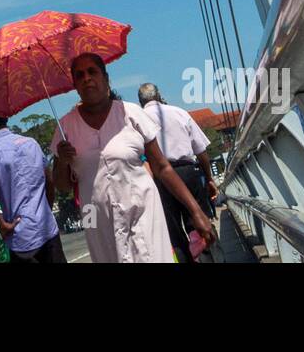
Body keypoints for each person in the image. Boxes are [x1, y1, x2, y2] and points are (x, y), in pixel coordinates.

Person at [52, 53, 216, 263]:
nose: (87, 78)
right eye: (80, 75)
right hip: (97, 218)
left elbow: (162, 167)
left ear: (106, 78)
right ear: (75, 85)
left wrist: (196, 211)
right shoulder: (65, 129)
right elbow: (63, 186)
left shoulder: (131, 114)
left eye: (92, 72)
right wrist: (63, 161)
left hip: (143, 210)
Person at [138, 83, 217, 263]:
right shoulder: (179, 112)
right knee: (200, 227)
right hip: (188, 172)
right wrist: (209, 178)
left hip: (160, 179)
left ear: (140, 101)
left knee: (174, 234)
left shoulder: (139, 120)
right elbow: (201, 151)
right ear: (159, 95)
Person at [0, 115, 65, 263]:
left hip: (19, 236)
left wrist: (2, 225)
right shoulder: (31, 143)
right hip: (46, 229)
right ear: (6, 117)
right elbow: (49, 179)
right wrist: (46, 210)